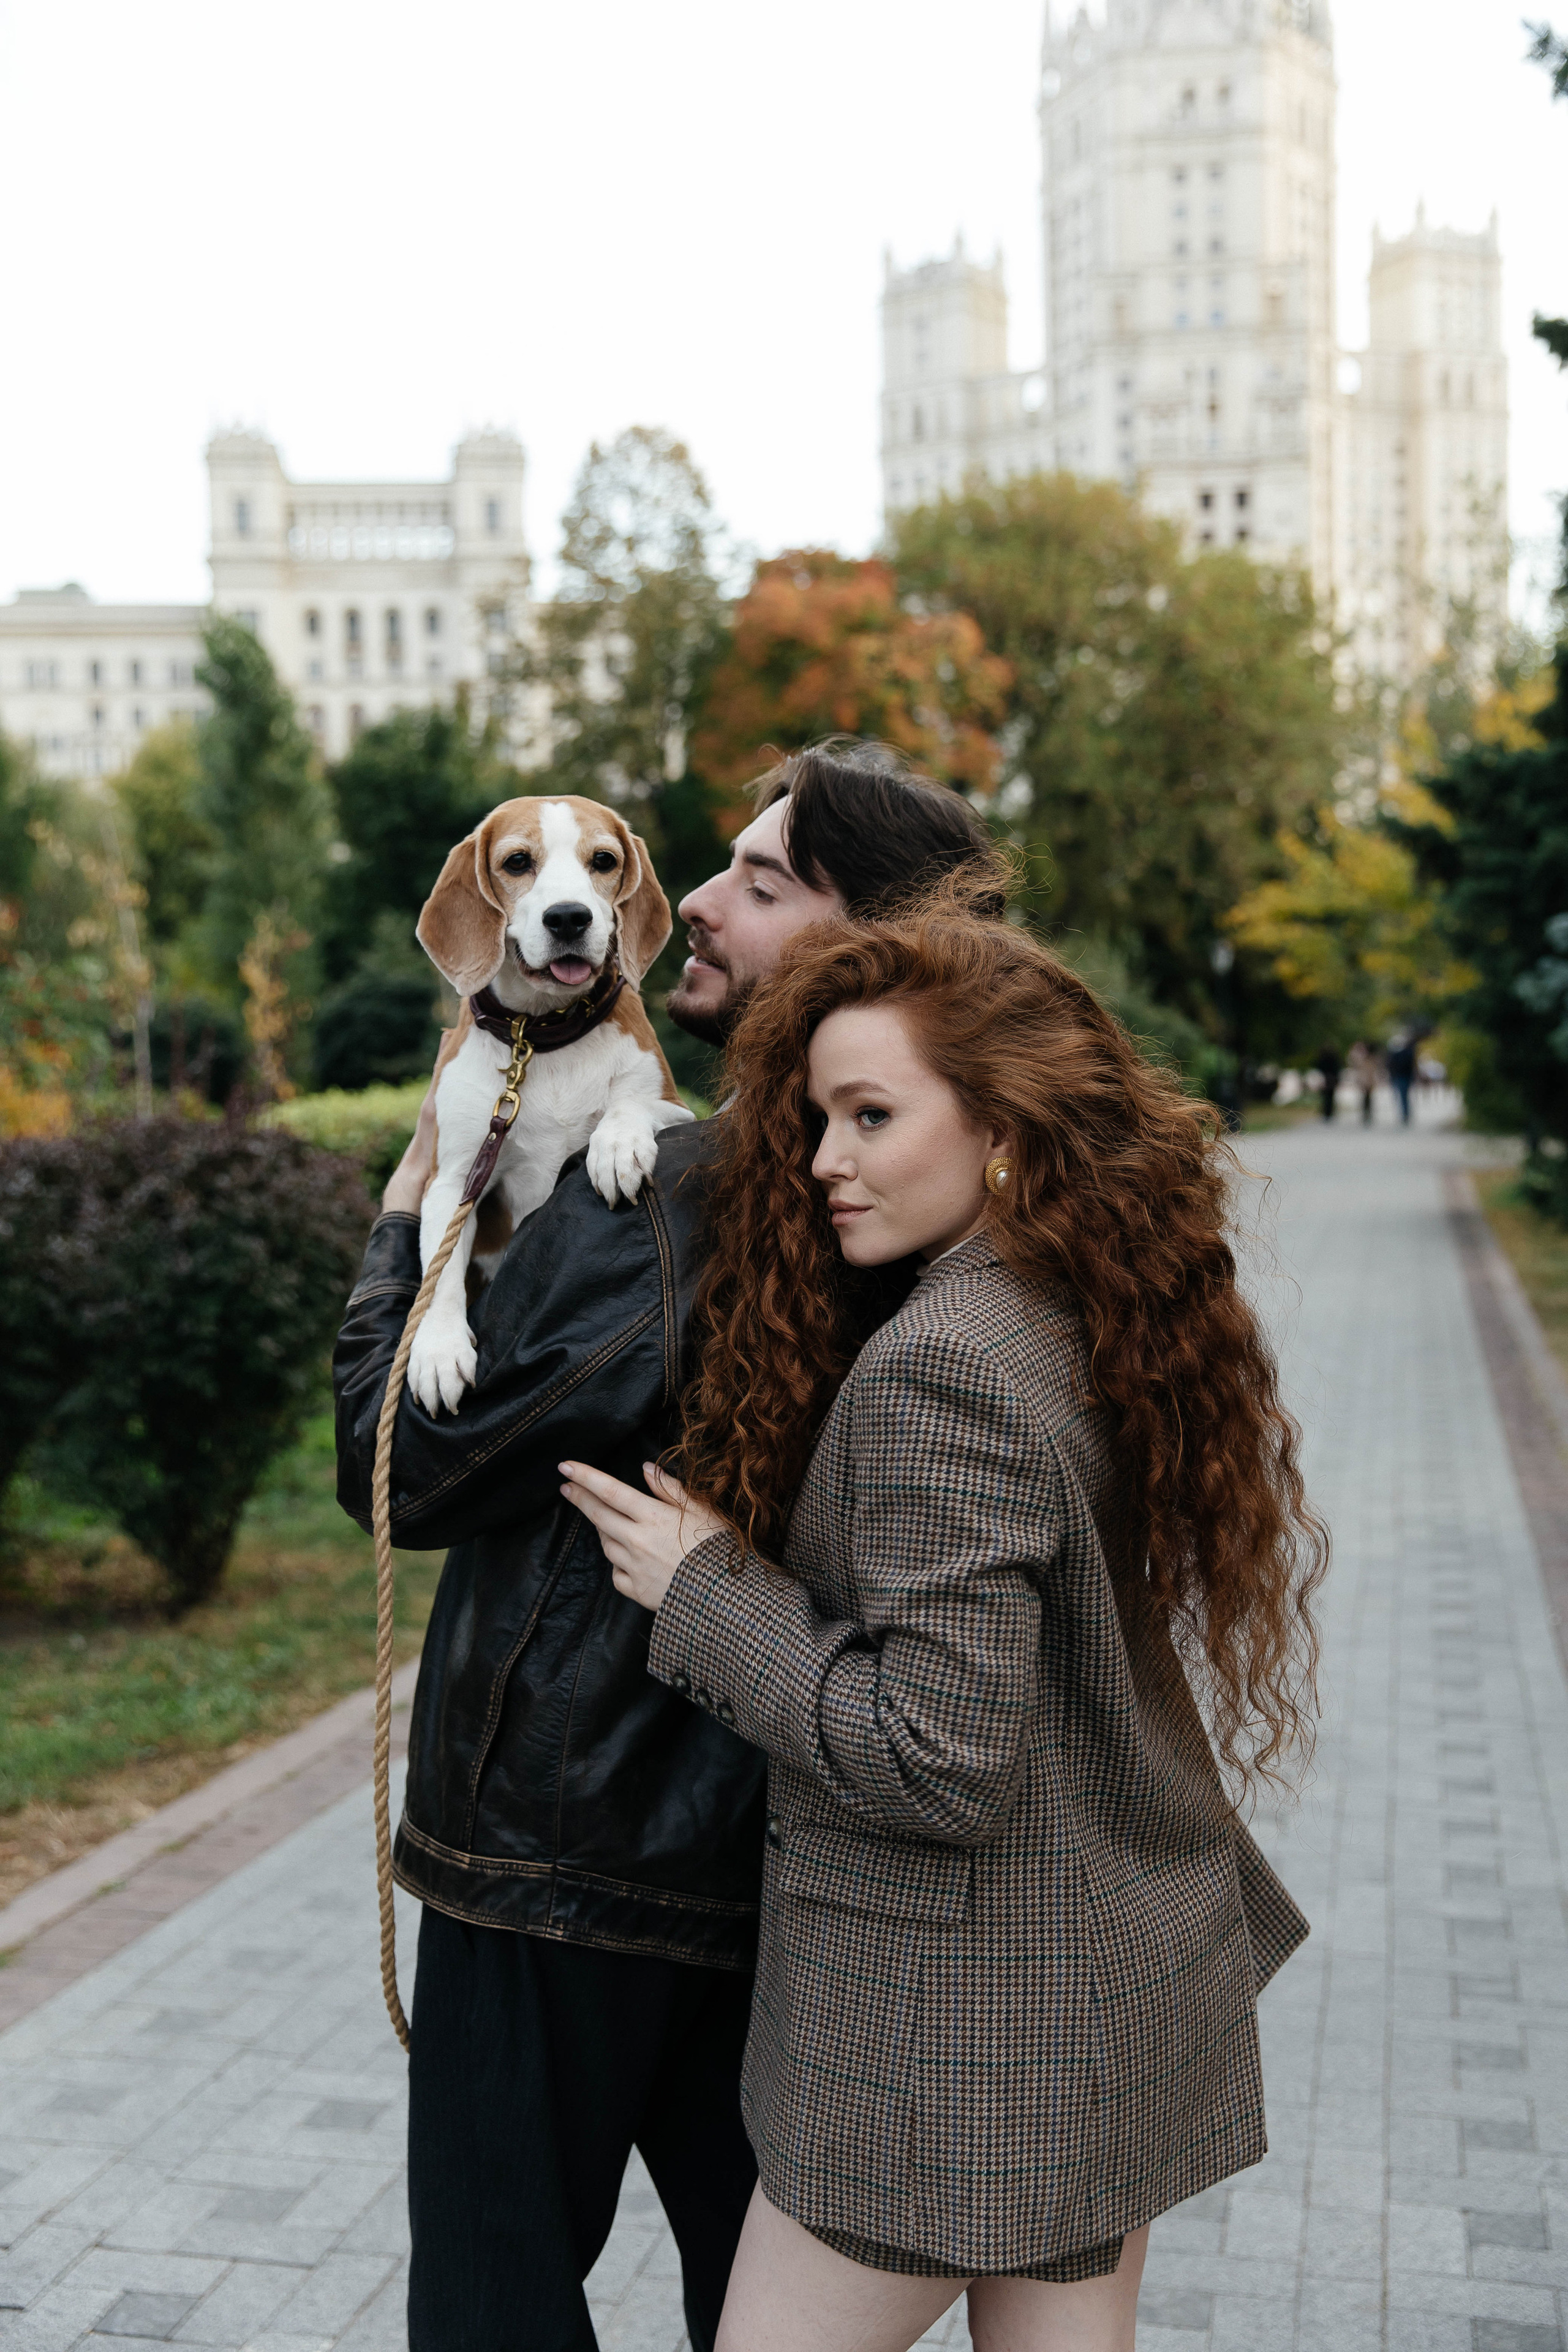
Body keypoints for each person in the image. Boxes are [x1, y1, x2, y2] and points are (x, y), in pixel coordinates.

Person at [563, 896, 1326, 2352]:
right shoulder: (1074, 1305)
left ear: (1000, 1128)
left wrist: (705, 1586)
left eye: (867, 1114)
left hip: (946, 2043)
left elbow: (936, 1754)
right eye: (816, 1116)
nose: (822, 1159)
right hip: (1104, 1977)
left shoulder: (937, 1371)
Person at [333, 741, 997, 2352]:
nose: (687, 900)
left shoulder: (679, 1196)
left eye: (759, 885)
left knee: (497, 2306)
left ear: (865, 944)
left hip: (564, 1843)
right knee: (752, 2307)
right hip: (782, 1848)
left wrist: (406, 1201)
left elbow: (393, 1469)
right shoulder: (913, 1178)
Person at [1346, 1039, 1381, 1126]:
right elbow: (1352, 1061)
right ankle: (1366, 1113)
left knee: (1368, 1097)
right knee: (1365, 1097)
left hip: (1368, 1080)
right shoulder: (1361, 1059)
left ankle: (1368, 1113)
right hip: (1364, 1080)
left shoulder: (1371, 1059)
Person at [1385, 1029, 1417, 1126]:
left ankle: (1405, 1114)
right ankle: (1405, 1114)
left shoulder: (1401, 1054)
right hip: (1403, 1077)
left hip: (1401, 1077)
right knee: (1404, 1096)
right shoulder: (1407, 1053)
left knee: (1403, 1096)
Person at [1314, 1041, 1343, 1120]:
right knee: (1330, 1096)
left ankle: (1326, 1112)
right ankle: (1329, 1112)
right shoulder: (1334, 1057)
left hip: (1326, 1078)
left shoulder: (1323, 1057)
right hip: (1331, 1078)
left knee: (1326, 1096)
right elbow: (1337, 1069)